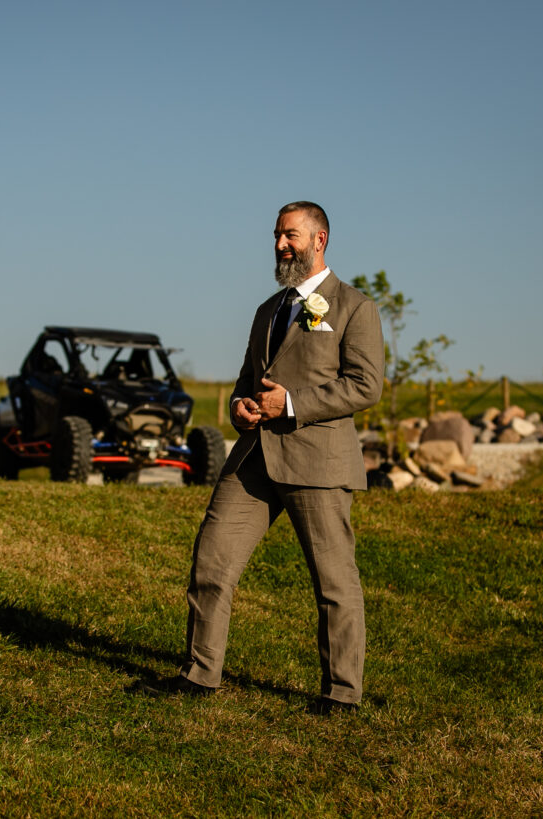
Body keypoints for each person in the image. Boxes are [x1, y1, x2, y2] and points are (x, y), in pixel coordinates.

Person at [139, 201, 384, 712]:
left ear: (320, 240)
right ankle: (200, 675)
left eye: (290, 235)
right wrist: (241, 405)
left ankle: (342, 693)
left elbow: (366, 386)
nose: (279, 245)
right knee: (212, 559)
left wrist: (291, 404)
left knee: (333, 581)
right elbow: (247, 379)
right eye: (276, 235)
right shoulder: (267, 310)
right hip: (254, 456)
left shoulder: (355, 307)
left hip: (318, 461)